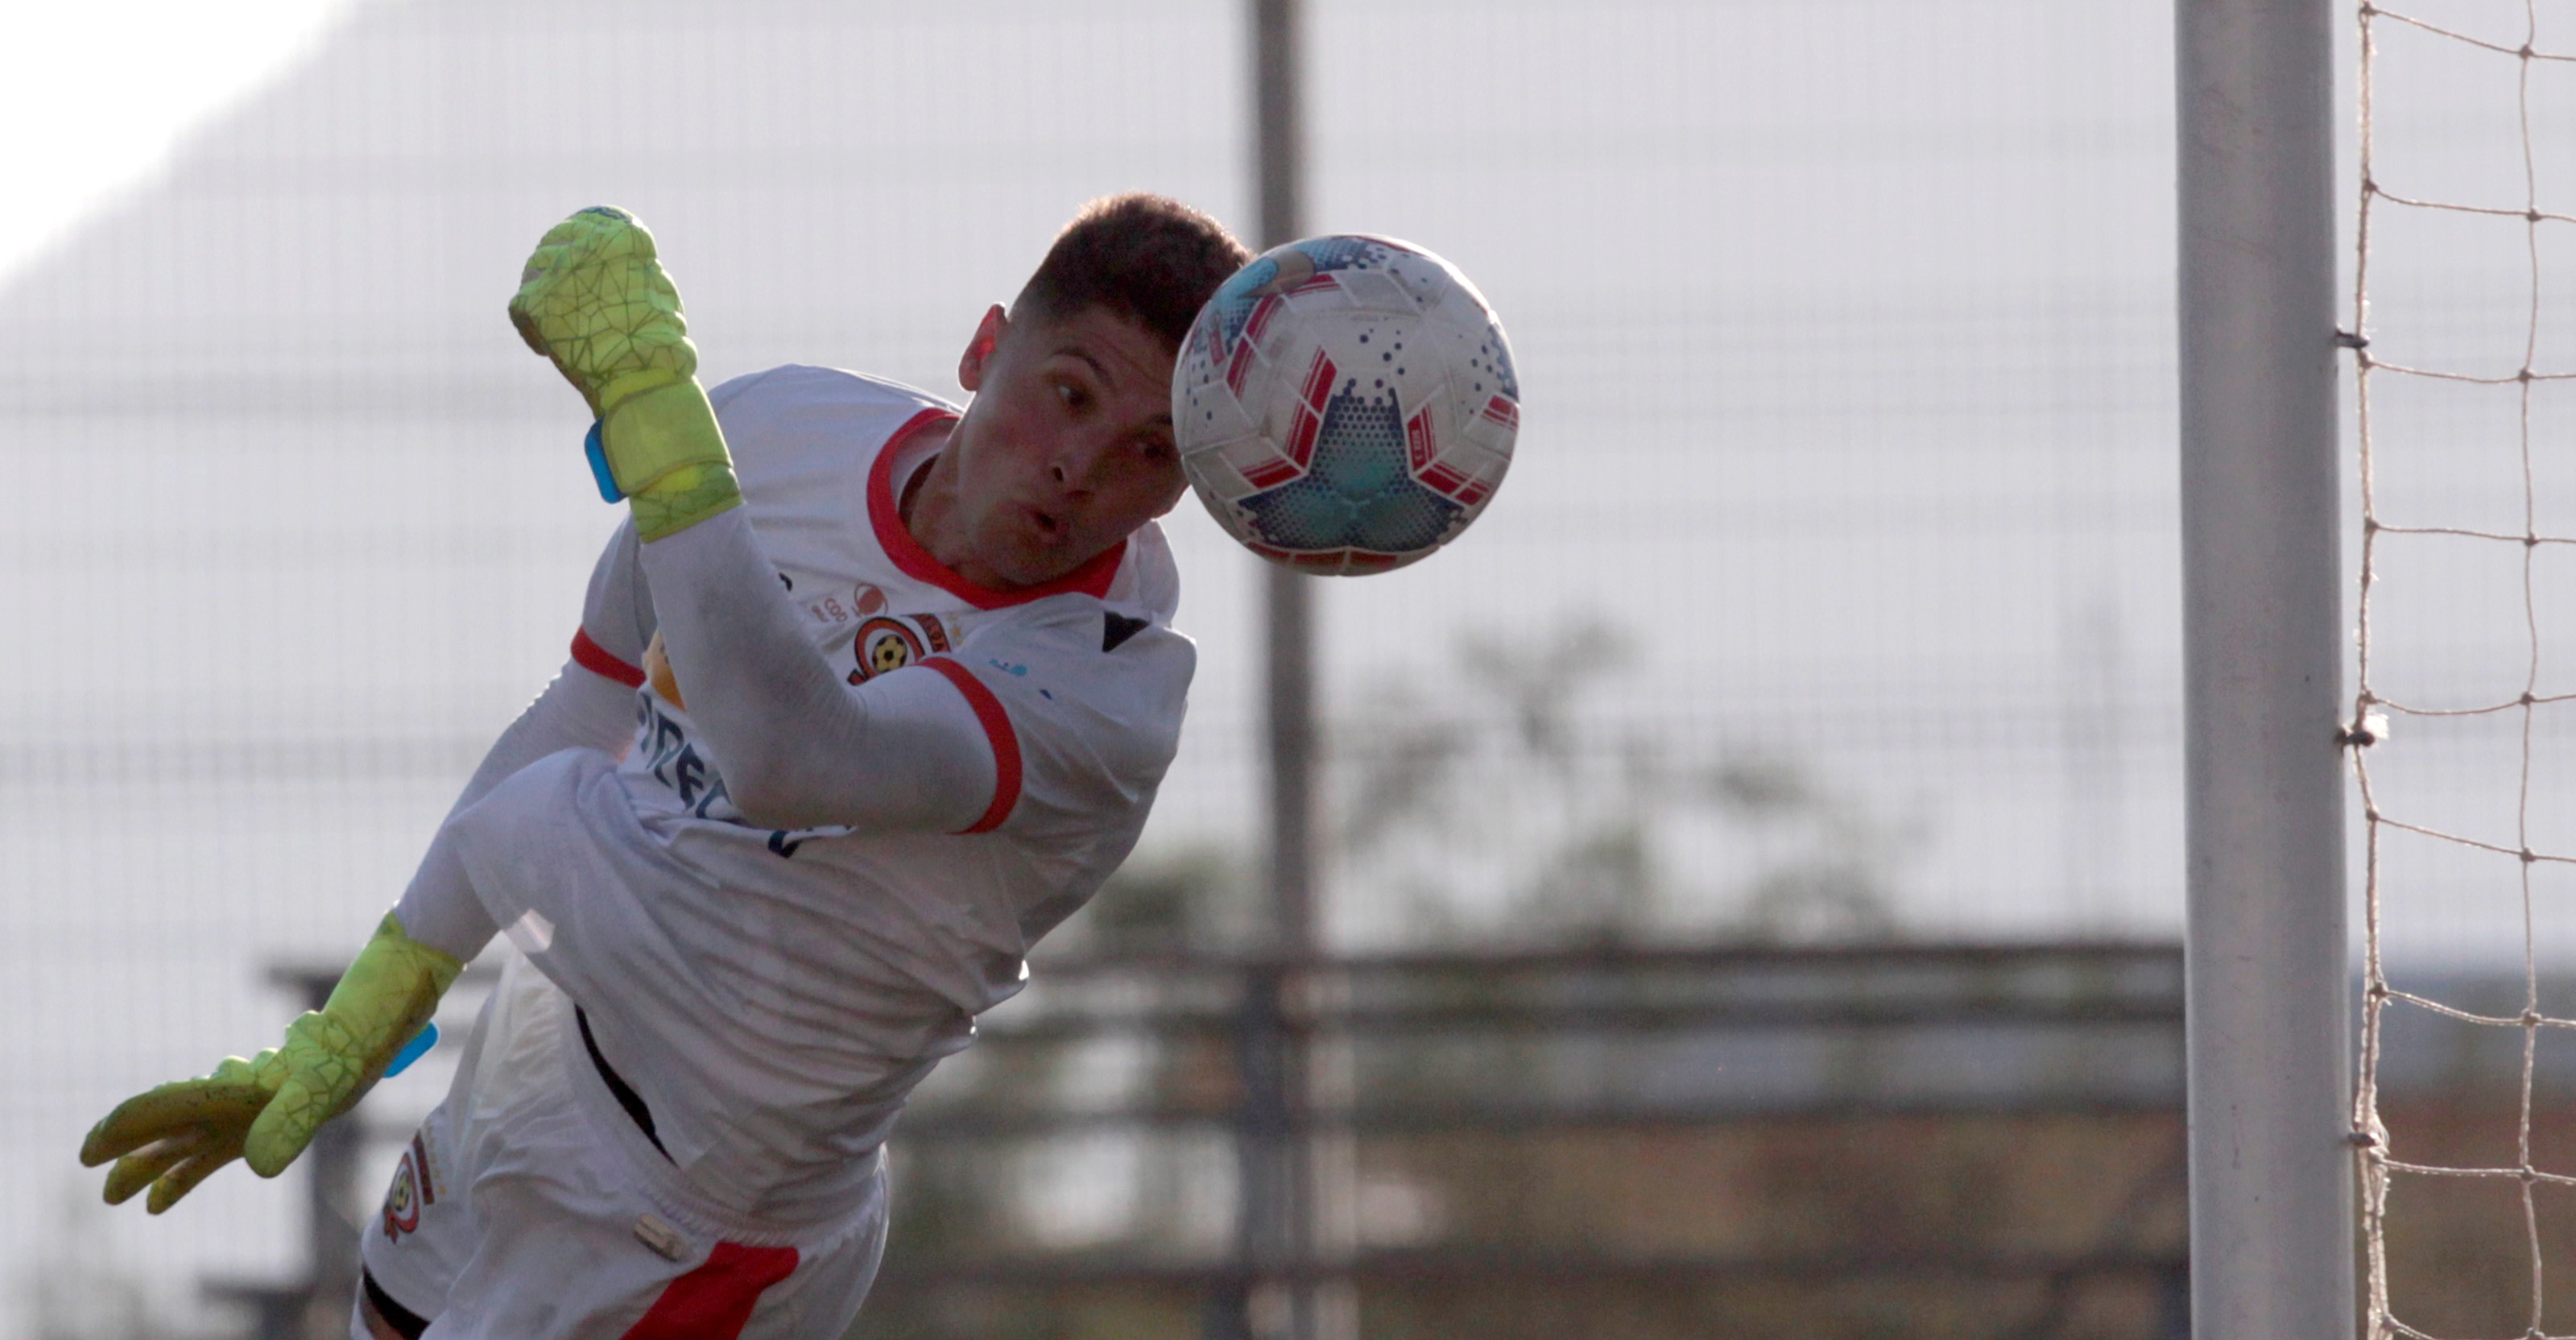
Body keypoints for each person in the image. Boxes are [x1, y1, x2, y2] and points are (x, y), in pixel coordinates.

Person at [79, 193, 1251, 1340]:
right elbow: (584, 710)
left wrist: (653, 420)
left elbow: (789, 759)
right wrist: (359, 1022)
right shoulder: (787, 430)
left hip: (694, 1216)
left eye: (1150, 451)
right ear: (987, 349)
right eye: (1070, 396)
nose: (1080, 466)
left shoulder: (1108, 685)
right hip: (540, 1040)